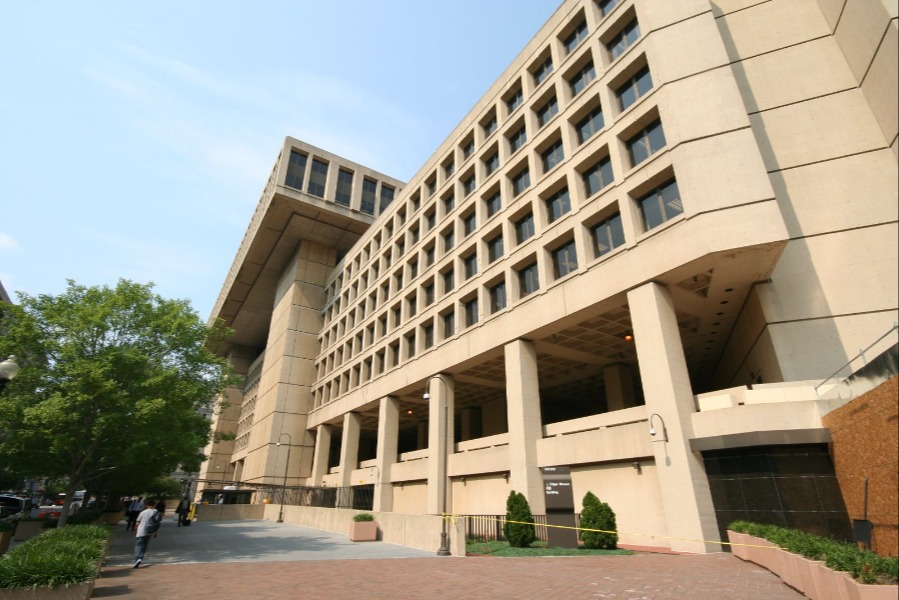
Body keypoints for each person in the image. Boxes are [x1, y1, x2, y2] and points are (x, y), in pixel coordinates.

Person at [133, 499, 158, 568]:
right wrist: (155, 532)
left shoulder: (143, 512)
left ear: (147, 505)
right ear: (154, 504)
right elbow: (156, 523)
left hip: (141, 531)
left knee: (138, 545)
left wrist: (135, 530)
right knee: (144, 545)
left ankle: (137, 559)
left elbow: (137, 522)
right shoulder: (156, 512)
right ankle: (140, 558)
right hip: (149, 531)